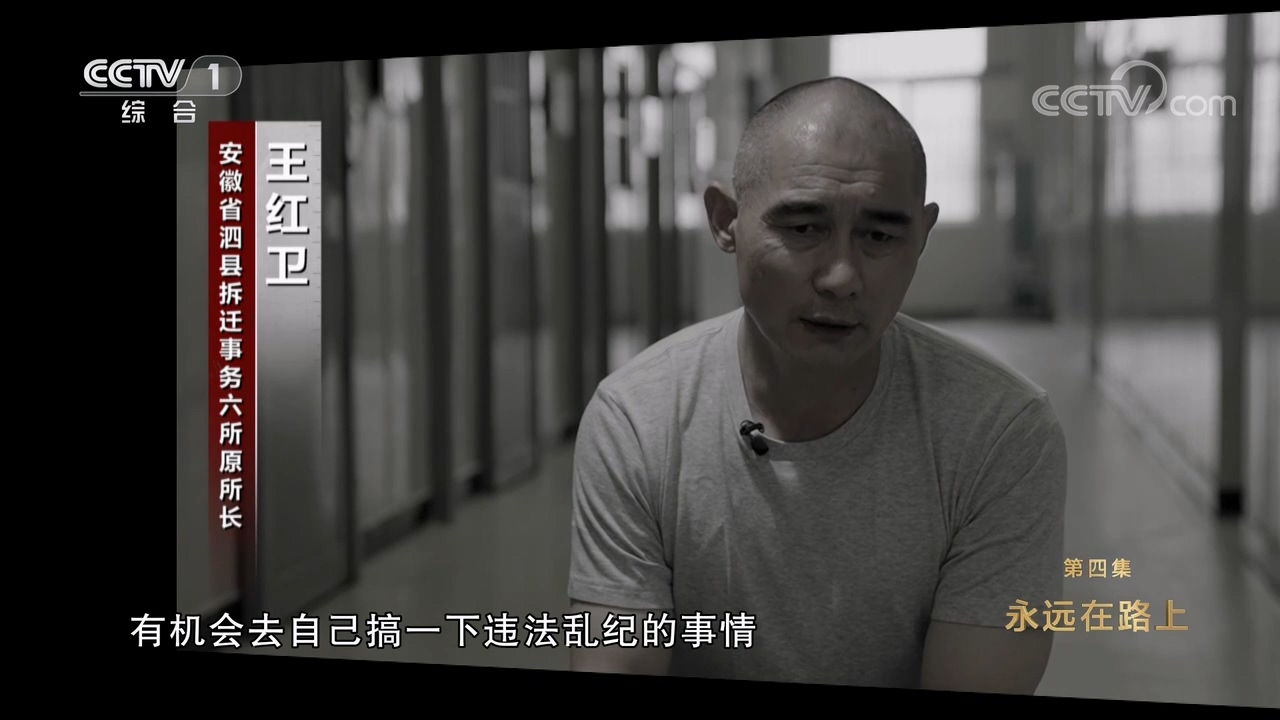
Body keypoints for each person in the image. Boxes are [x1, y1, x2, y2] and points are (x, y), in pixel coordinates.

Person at [566, 76, 1067, 692]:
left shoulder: (999, 432)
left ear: (921, 236)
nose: (841, 278)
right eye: (803, 228)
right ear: (726, 221)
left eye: (880, 236)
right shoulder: (638, 419)